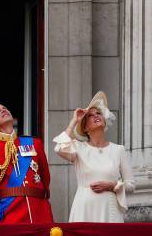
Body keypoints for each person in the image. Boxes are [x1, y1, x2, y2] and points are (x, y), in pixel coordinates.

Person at [53, 91, 135, 222]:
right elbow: (59, 148)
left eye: (98, 113)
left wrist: (112, 185)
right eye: (90, 116)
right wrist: (74, 121)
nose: (96, 116)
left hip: (110, 210)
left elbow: (131, 185)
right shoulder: (79, 148)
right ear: (85, 128)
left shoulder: (118, 150)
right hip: (84, 209)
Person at [0, 103, 53, 223]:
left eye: (5, 108)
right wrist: (1, 209)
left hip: (39, 210)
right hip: (11, 212)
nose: (3, 110)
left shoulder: (34, 142)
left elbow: (45, 177)